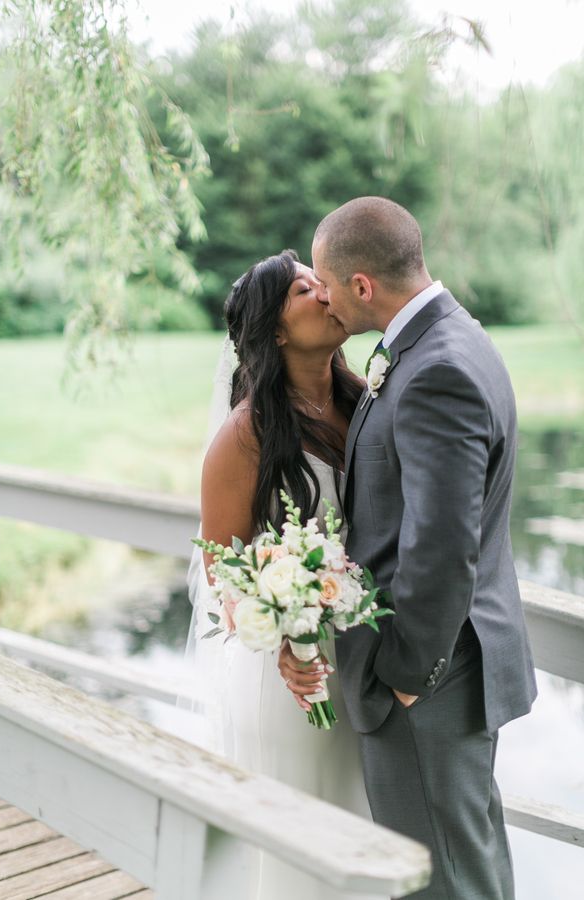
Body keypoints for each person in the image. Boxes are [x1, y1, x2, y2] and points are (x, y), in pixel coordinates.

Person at [279, 196, 538, 899]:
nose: (324, 299)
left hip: (431, 682)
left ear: (361, 286)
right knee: (466, 864)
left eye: (327, 285)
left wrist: (405, 675)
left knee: (443, 881)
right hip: (447, 675)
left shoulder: (435, 371)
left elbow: (442, 546)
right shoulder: (441, 340)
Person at [194, 249, 371, 900]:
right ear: (274, 329)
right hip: (291, 678)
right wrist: (283, 636)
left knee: (358, 838)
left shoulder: (364, 406)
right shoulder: (245, 437)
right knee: (298, 865)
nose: (326, 293)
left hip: (366, 665)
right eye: (305, 289)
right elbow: (224, 571)